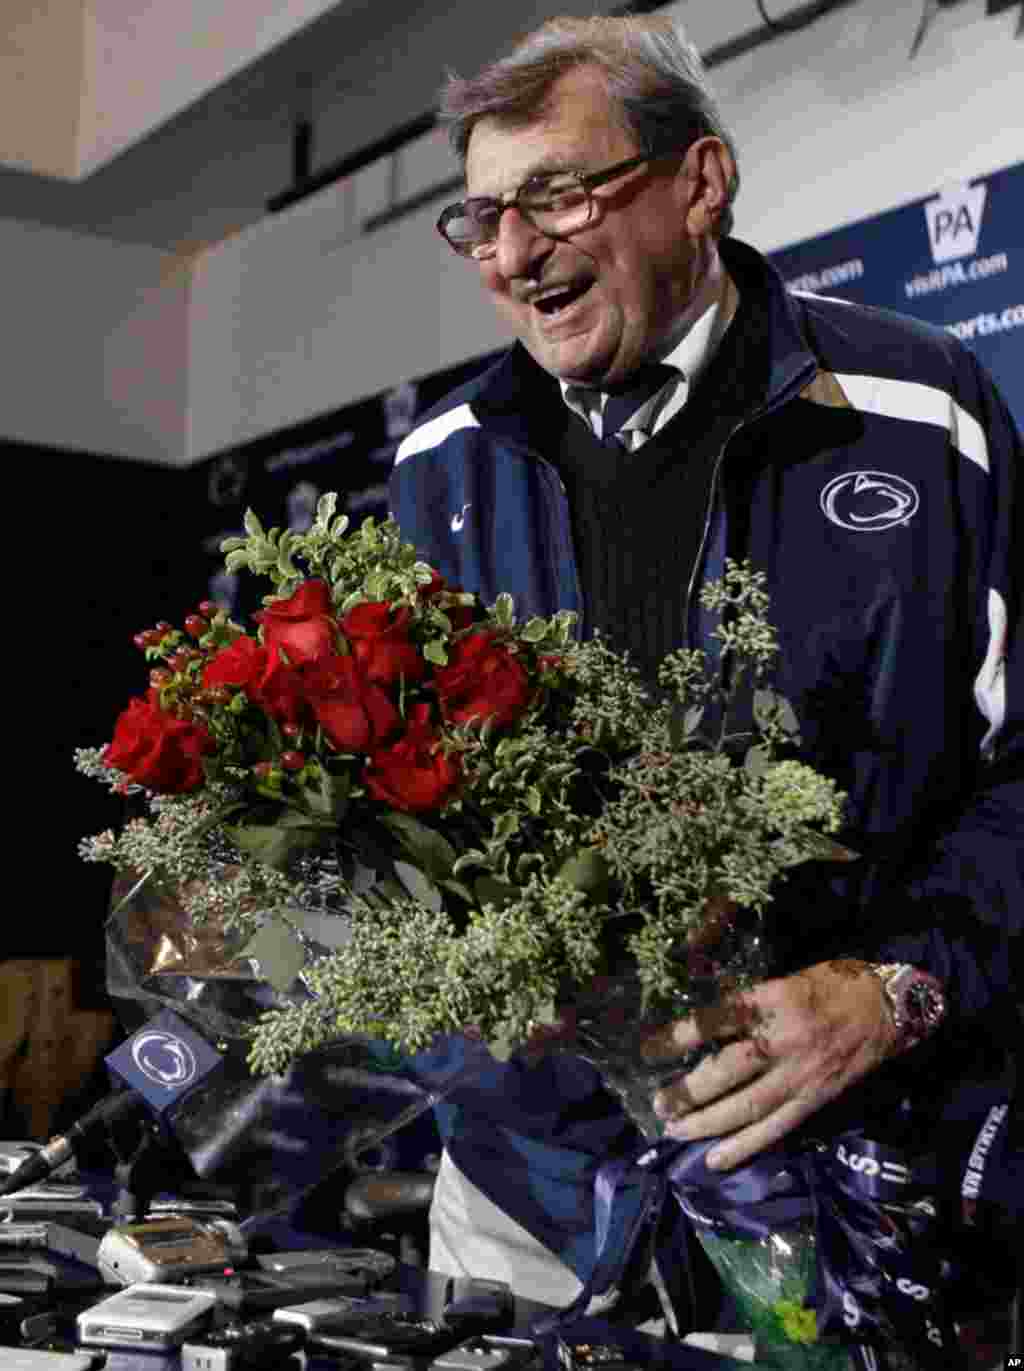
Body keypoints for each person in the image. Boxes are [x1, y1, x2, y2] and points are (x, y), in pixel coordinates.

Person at [389, 11, 1022, 1332]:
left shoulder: (925, 411)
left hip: (853, 1181)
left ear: (700, 183)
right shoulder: (439, 464)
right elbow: (402, 809)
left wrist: (896, 986)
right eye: (480, 218)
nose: (511, 254)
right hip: (530, 1196)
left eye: (554, 198)